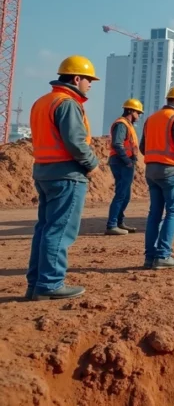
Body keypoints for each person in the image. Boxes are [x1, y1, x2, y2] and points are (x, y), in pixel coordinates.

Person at [25, 55, 101, 301]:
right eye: (89, 80)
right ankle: (50, 283)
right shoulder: (67, 103)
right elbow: (75, 142)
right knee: (59, 230)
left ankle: (36, 283)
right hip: (66, 175)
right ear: (76, 78)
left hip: (44, 171)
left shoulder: (42, 101)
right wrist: (92, 164)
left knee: (45, 228)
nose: (90, 84)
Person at [139, 86, 174, 270]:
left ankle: (150, 257)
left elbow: (142, 147)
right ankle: (163, 255)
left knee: (154, 214)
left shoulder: (151, 119)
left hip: (151, 170)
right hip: (171, 170)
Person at [105, 98, 144, 235]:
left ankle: (119, 222)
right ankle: (112, 225)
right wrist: (127, 161)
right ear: (131, 111)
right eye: (138, 113)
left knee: (125, 195)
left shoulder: (127, 125)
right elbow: (117, 144)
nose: (139, 116)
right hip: (121, 162)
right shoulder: (122, 125)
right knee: (121, 194)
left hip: (124, 162)